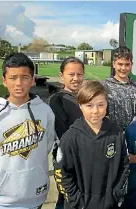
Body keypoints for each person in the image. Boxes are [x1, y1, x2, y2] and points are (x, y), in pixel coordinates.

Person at [0, 52, 55, 209]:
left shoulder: (45, 112)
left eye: (25, 77)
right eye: (13, 78)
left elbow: (46, 145)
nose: (19, 83)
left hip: (36, 193)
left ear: (33, 80)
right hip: (4, 198)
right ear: (4, 81)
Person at [54, 80, 129, 209]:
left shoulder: (116, 133)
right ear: (80, 106)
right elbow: (62, 173)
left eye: (100, 105)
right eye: (89, 105)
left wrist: (116, 193)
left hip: (109, 203)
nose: (95, 111)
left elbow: (124, 165)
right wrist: (77, 201)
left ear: (107, 104)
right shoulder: (70, 138)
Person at [48, 56, 85, 209]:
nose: (76, 78)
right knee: (67, 200)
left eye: (79, 74)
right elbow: (63, 135)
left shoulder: (86, 98)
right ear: (61, 75)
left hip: (87, 158)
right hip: (67, 160)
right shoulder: (57, 100)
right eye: (71, 74)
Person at [102, 46, 136, 131]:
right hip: (111, 135)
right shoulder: (104, 86)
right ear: (113, 64)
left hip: (131, 134)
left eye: (127, 64)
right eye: (120, 64)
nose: (123, 68)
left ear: (131, 65)